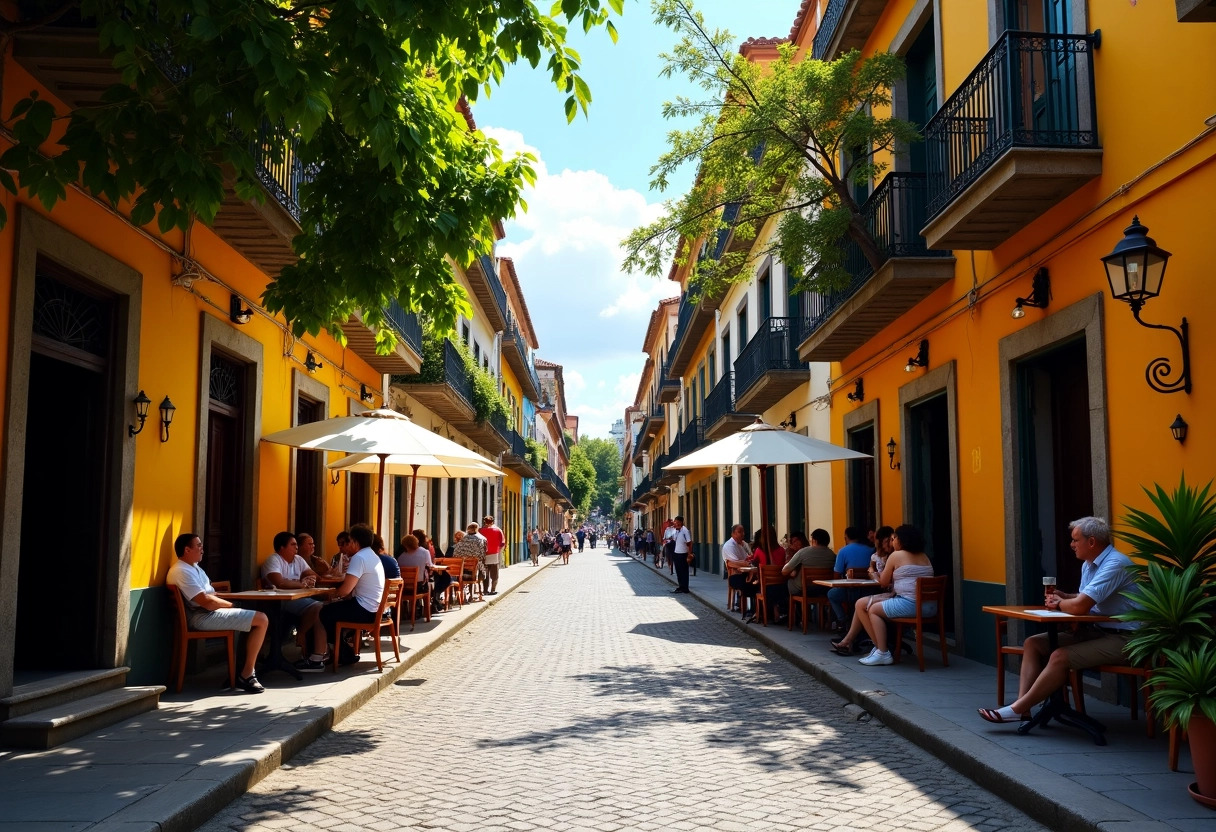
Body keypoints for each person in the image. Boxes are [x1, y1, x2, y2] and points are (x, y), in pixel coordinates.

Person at [979, 517, 1140, 723]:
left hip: (1127, 639)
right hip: (1099, 631)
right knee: (1033, 643)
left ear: (1091, 542)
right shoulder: (1089, 564)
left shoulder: (1115, 563)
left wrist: (1058, 602)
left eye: (1075, 540)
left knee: (1060, 656)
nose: (1071, 545)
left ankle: (1017, 709)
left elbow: (1081, 607)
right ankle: (1024, 709)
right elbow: (1086, 599)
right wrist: (1066, 597)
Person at [168, 533, 269, 692]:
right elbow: (207, 602)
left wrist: (230, 604)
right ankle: (247, 674)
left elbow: (212, 594)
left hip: (208, 613)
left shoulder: (195, 568)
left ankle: (241, 673)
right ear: (187, 550)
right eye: (198, 546)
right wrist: (232, 605)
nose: (202, 549)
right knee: (261, 619)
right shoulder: (181, 571)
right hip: (200, 617)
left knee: (255, 618)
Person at [846, 524, 935, 666]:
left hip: (910, 604)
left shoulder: (896, 555)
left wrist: (872, 572)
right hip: (930, 607)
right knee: (861, 604)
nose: (892, 542)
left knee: (873, 610)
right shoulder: (924, 556)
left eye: (894, 538)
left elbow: (883, 582)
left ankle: (882, 651)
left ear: (901, 540)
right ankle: (880, 649)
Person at [260, 531, 328, 671]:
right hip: (278, 601)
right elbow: (280, 583)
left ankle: (308, 643)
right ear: (281, 548)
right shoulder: (274, 560)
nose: (296, 548)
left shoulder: (298, 559)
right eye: (293, 545)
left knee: (323, 607)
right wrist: (302, 584)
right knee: (319, 607)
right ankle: (305, 642)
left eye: (297, 545)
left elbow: (313, 575)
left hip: (297, 600)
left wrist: (311, 578)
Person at [320, 523, 386, 666]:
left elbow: (345, 590)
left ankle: (341, 653)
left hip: (364, 610)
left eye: (348, 541)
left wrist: (330, 595)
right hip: (373, 609)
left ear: (355, 542)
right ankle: (342, 652)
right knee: (333, 611)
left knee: (325, 612)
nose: (347, 545)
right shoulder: (372, 556)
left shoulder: (359, 557)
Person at [774, 529, 835, 622]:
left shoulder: (803, 552)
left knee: (785, 586)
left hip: (803, 589)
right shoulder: (832, 555)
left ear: (814, 540)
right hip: (824, 589)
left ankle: (794, 617)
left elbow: (784, 571)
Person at [827, 526, 876, 630]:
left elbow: (836, 575)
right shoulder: (871, 549)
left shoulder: (843, 551)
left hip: (850, 592)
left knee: (832, 594)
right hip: (870, 592)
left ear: (846, 537)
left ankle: (843, 620)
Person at [453, 522, 487, 593]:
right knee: (481, 566)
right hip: (474, 568)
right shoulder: (482, 539)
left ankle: (459, 592)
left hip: (462, 567)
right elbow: (483, 554)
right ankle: (476, 591)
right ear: (477, 529)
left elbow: (455, 554)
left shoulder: (462, 539)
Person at [667, 515, 693, 594]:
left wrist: (689, 555)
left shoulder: (685, 531)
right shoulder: (676, 531)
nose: (676, 524)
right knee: (678, 571)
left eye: (677, 522)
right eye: (675, 522)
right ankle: (680, 586)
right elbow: (674, 539)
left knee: (684, 572)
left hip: (683, 554)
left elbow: (689, 543)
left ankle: (685, 588)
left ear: (681, 522)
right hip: (677, 553)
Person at [479, 516, 505, 595]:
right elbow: (502, 543)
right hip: (494, 555)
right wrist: (498, 550)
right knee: (494, 575)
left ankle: (485, 590)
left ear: (484, 522)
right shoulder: (498, 530)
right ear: (493, 522)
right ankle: (493, 590)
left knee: (485, 574)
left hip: (484, 556)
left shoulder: (480, 531)